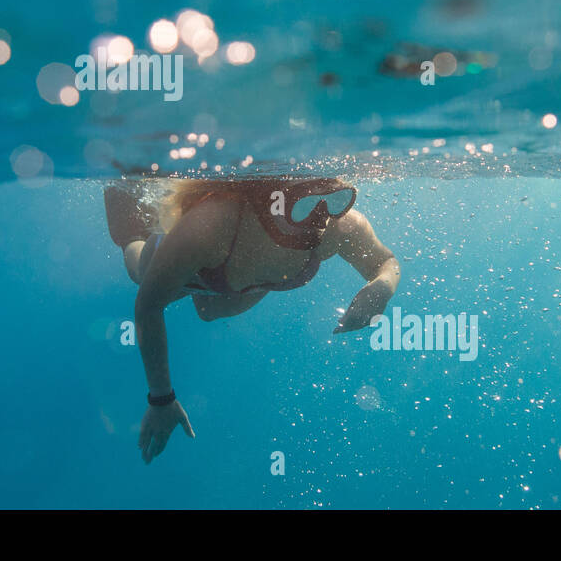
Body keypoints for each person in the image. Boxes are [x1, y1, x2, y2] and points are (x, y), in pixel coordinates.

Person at [104, 176, 400, 464]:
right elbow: (148, 305)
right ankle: (132, 232)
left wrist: (382, 289)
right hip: (203, 270)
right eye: (304, 204)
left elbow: (385, 262)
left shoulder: (338, 226)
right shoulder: (211, 225)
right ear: (273, 200)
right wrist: (161, 399)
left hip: (248, 279)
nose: (321, 217)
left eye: (336, 199)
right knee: (140, 272)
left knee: (209, 312)